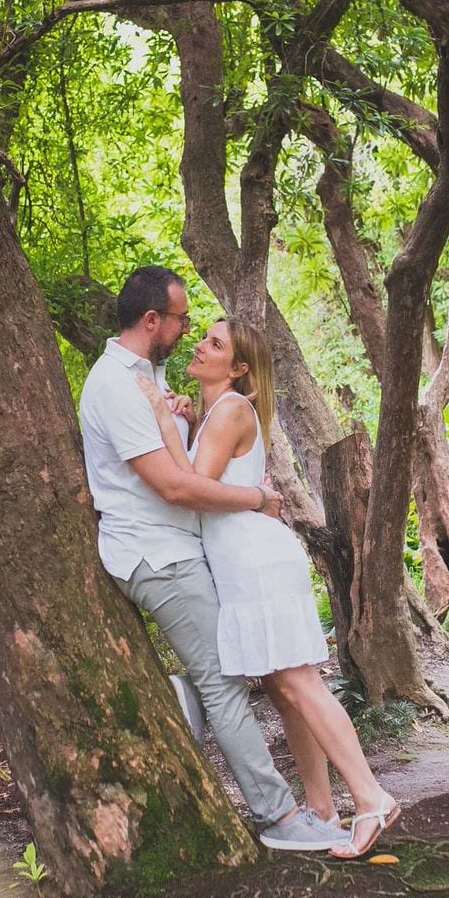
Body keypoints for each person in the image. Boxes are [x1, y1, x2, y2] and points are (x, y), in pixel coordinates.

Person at [77, 266, 348, 853]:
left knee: (235, 670)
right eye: (182, 321)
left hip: (187, 551)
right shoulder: (116, 386)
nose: (188, 332)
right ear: (153, 321)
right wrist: (258, 498)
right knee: (225, 684)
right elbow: (176, 487)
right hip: (160, 557)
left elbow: (189, 451)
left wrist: (185, 413)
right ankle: (279, 817)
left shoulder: (148, 375)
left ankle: (182, 697)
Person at [133, 317, 400, 860]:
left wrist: (163, 418)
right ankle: (322, 810)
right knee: (284, 690)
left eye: (215, 344)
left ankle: (373, 800)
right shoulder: (215, 414)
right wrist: (184, 422)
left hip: (255, 561)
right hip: (242, 561)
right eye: (203, 336)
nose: (200, 346)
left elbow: (194, 488)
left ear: (237, 369)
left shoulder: (231, 409)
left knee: (300, 684)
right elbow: (212, 472)